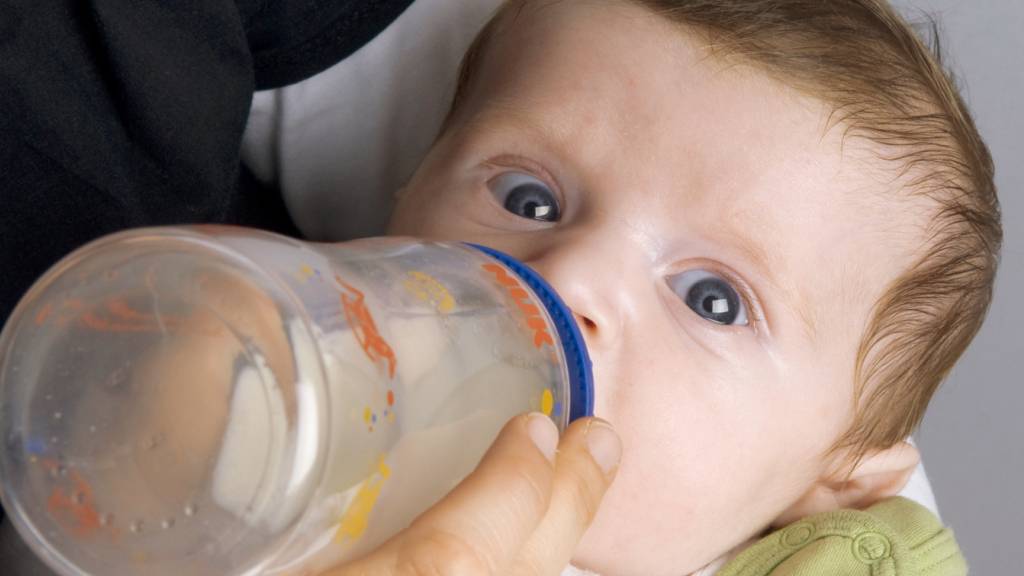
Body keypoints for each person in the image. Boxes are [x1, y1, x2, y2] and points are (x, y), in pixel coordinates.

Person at [354, 0, 1000, 574]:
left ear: (836, 484)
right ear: (407, 192)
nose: (567, 277)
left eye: (712, 300)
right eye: (527, 198)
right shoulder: (283, 352)